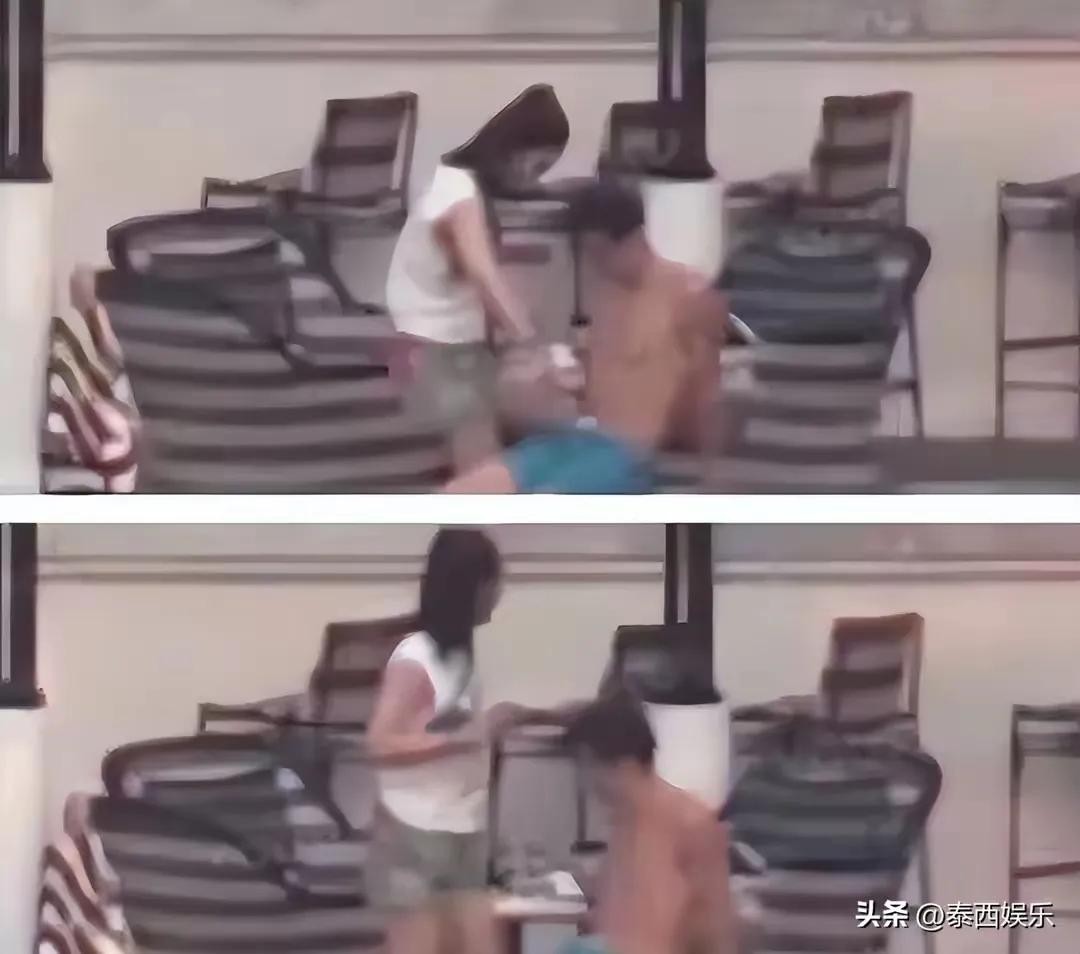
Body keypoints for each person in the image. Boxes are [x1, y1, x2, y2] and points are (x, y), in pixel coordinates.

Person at [443, 181, 728, 493]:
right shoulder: (597, 292)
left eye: (600, 253)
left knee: (541, 505)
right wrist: (546, 384)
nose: (595, 262)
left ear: (634, 239)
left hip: (625, 453)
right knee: (459, 494)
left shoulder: (688, 295)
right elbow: (586, 381)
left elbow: (707, 396)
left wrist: (711, 480)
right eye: (589, 254)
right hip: (568, 439)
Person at [366, 528, 570, 954]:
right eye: (494, 583)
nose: (498, 594)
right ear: (471, 587)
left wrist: (520, 717)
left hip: (462, 830)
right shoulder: (416, 656)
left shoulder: (459, 659)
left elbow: (449, 729)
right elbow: (381, 743)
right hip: (416, 835)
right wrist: (464, 739)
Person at [386, 85, 571, 474]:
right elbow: (482, 274)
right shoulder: (457, 192)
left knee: (479, 457)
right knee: (481, 466)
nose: (535, 180)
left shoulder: (456, 185)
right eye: (538, 165)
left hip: (443, 343)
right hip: (439, 347)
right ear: (514, 149)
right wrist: (532, 344)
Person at [563, 693, 736, 954]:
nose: (585, 781)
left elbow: (716, 933)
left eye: (588, 765)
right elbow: (616, 919)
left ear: (624, 763)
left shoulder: (690, 823)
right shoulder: (624, 823)